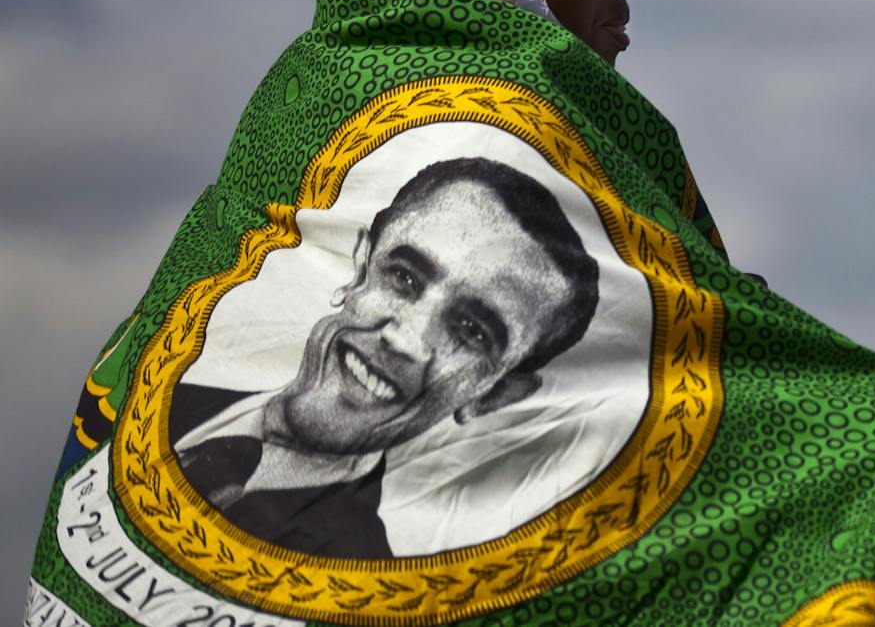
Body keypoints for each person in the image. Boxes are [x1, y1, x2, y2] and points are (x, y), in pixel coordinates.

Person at [39, 0, 875, 627]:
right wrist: (867, 420)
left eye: (475, 331)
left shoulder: (316, 85)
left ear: (505, 390)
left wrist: (853, 423)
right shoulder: (509, 118)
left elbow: (660, 361)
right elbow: (687, 346)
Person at [171, 156, 601, 559]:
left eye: (470, 331)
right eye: (403, 277)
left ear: (495, 394)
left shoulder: (359, 587)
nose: (405, 340)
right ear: (360, 266)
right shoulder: (150, 396)